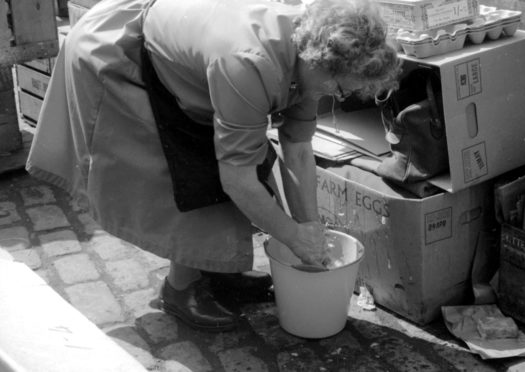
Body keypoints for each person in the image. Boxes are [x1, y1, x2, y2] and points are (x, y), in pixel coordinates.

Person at [26, 0, 400, 332]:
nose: (337, 95)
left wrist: (308, 230)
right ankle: (180, 288)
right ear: (319, 60)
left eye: (345, 92)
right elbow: (236, 179)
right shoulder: (250, 62)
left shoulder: (310, 62)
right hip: (118, 55)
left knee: (240, 158)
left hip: (189, 61)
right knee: (187, 172)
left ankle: (216, 273)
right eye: (338, 85)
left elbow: (298, 148)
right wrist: (291, 236)